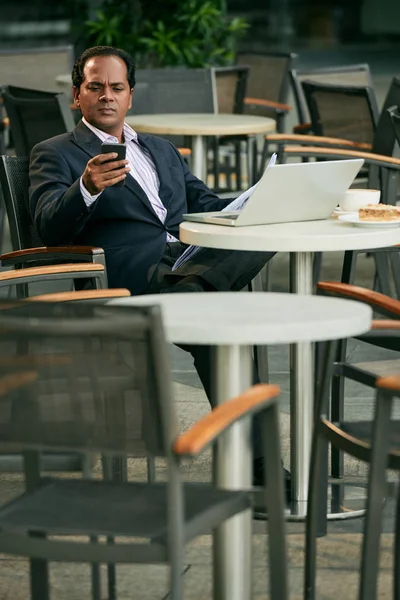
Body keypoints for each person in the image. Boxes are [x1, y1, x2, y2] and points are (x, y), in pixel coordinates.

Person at [29, 45, 289, 494]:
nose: (106, 96)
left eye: (116, 87)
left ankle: (196, 294)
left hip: (187, 264)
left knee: (266, 233)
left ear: (131, 96)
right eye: (95, 87)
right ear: (77, 96)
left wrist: (260, 202)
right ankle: (260, 465)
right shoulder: (57, 153)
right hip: (129, 277)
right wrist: (85, 187)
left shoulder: (161, 150)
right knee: (218, 318)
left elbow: (206, 205)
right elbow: (47, 225)